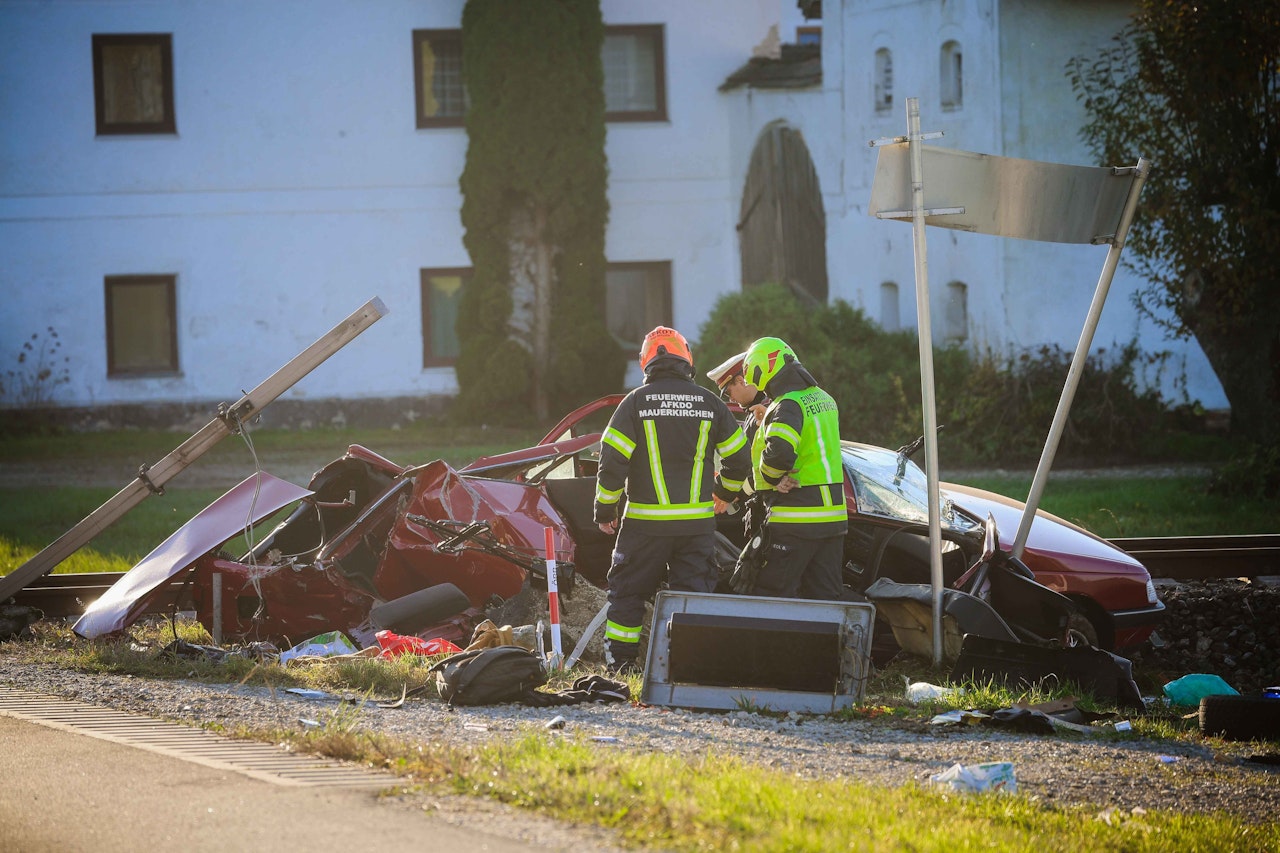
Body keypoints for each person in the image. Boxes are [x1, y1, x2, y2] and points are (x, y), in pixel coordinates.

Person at [594, 326, 752, 673]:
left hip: (644, 527)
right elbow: (740, 458)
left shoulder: (633, 403)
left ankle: (620, 667)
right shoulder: (711, 403)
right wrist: (724, 493)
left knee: (628, 594)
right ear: (687, 358)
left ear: (645, 362)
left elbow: (611, 460)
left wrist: (605, 509)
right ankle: (690, 668)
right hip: (695, 527)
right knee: (693, 597)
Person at [740, 336, 848, 600]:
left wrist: (770, 478)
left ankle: (773, 644)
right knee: (825, 596)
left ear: (762, 369)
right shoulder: (824, 398)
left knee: (772, 594)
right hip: (833, 518)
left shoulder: (787, 404)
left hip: (797, 517)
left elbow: (779, 455)